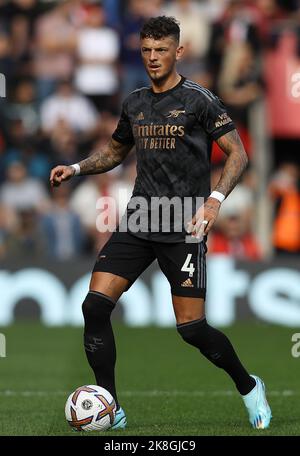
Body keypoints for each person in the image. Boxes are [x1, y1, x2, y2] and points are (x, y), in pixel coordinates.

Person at [50, 16, 272, 430]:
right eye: (147, 50)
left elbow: (238, 155)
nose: (153, 58)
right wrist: (77, 167)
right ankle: (111, 406)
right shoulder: (134, 102)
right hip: (139, 218)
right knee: (94, 306)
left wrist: (213, 202)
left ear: (178, 52)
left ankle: (248, 386)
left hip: (185, 224)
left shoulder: (200, 100)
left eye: (161, 50)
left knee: (191, 329)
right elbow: (116, 152)